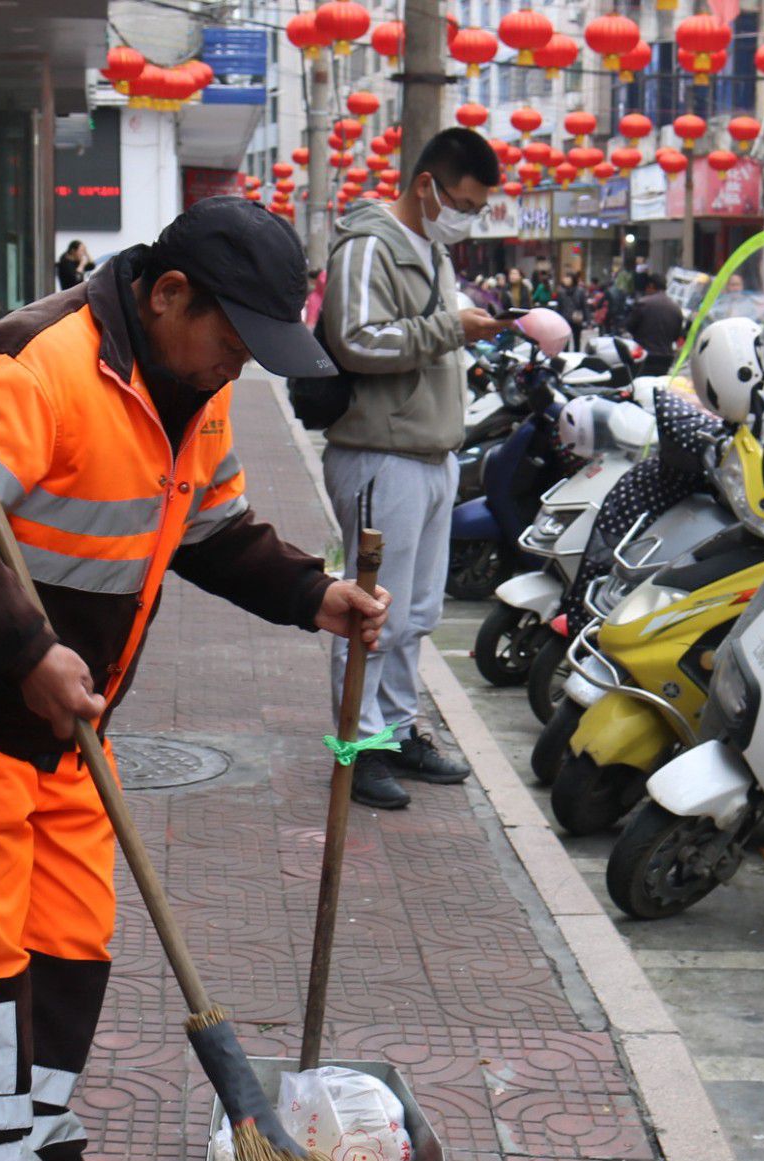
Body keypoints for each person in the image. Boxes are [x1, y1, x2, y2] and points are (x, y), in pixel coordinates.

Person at [0, 197, 388, 1161]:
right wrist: (25, 651)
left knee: (71, 936)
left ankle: (41, 1144)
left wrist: (312, 594)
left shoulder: (193, 388)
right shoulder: (31, 364)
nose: (237, 367)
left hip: (71, 719)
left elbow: (212, 530)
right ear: (167, 296)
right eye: (232, 339)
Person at [320, 125, 502, 810]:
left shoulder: (428, 248)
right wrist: (454, 327)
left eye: (477, 208)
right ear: (425, 185)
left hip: (431, 454)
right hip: (380, 455)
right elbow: (357, 339)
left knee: (416, 612)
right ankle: (353, 749)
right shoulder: (369, 245)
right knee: (368, 611)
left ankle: (393, 732)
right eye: (462, 201)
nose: (466, 218)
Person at [624, 272, 683, 377]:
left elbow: (629, 326)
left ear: (651, 286)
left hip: (645, 356)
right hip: (666, 358)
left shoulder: (643, 303)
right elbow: (676, 336)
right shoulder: (676, 308)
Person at [556, 271, 588, 350]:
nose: (565, 280)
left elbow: (584, 306)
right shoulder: (561, 291)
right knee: (565, 341)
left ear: (573, 279)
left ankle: (576, 356)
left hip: (576, 318)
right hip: (564, 318)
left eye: (567, 278)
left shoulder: (580, 291)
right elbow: (559, 306)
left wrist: (587, 320)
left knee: (577, 340)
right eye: (565, 278)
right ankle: (565, 357)